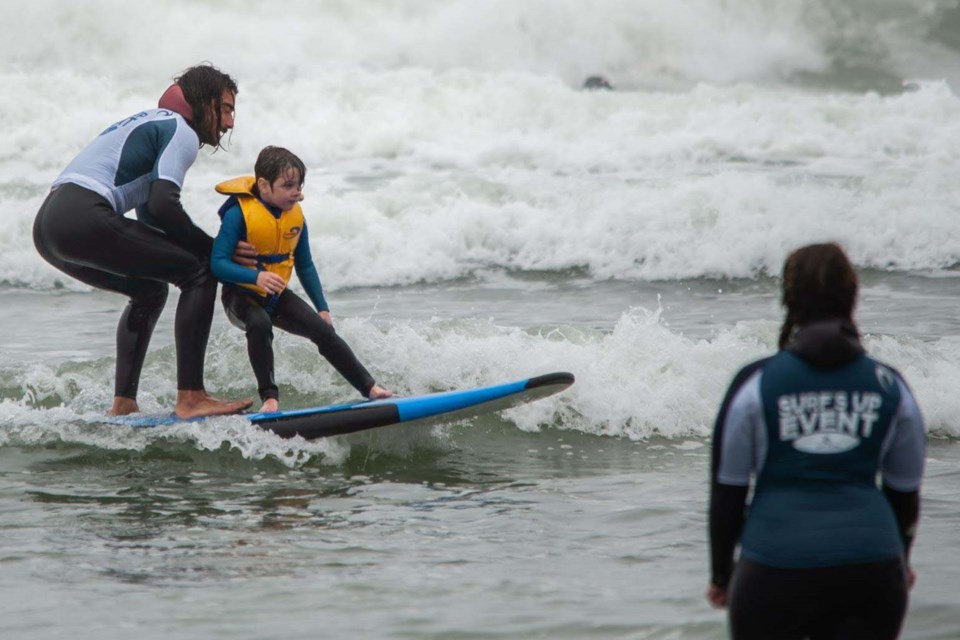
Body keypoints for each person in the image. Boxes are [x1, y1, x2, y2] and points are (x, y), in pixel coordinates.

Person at [706, 243, 925, 639]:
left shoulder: (755, 384)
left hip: (774, 569)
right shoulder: (890, 386)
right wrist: (899, 559)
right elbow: (904, 492)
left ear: (788, 298)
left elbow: (727, 491)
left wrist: (722, 575)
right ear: (853, 296)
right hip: (873, 571)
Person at [33, 63, 254, 419]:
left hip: (49, 227)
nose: (229, 123)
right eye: (226, 109)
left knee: (150, 290)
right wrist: (216, 252)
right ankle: (192, 398)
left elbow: (150, 218)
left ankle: (122, 404)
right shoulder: (179, 129)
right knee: (199, 271)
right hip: (83, 215)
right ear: (205, 102)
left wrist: (202, 249)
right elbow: (164, 204)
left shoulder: (150, 122)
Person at [210, 146, 392, 413]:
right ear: (264, 185)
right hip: (239, 296)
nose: (297, 192)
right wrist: (255, 276)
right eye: (288, 185)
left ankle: (370, 388)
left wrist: (322, 307)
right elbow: (218, 264)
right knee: (259, 323)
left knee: (323, 331)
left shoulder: (295, 217)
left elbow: (305, 265)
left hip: (275, 295)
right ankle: (270, 398)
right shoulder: (238, 214)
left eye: (299, 185)